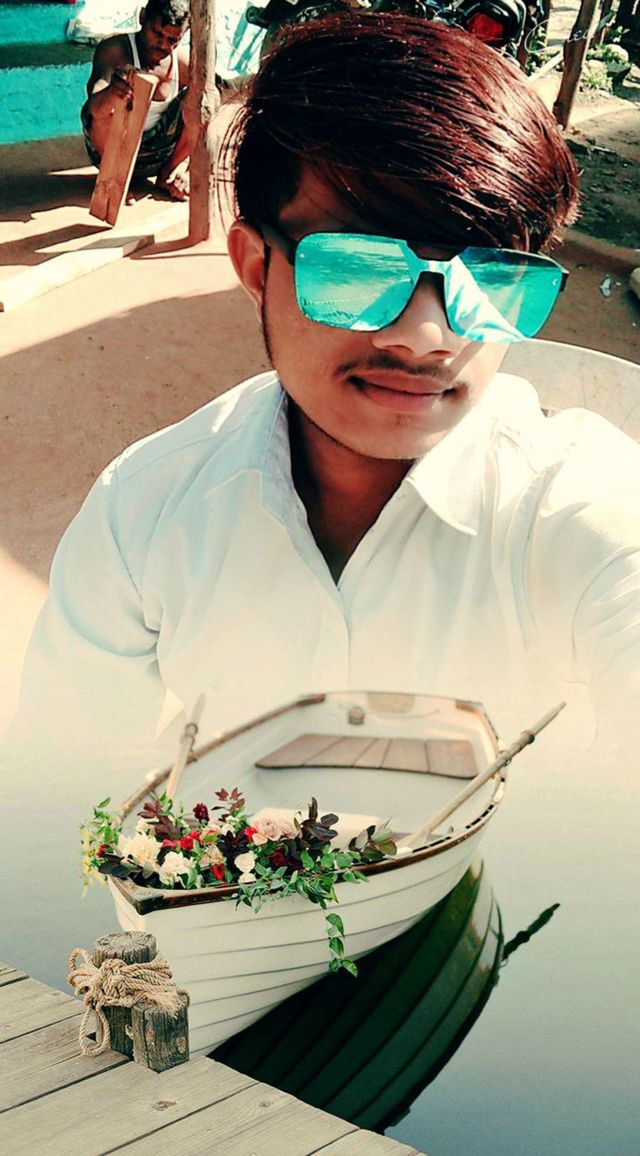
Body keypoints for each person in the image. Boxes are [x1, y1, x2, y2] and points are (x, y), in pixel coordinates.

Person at [10, 14, 640, 783]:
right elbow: (60, 788)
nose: (427, 338)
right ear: (255, 268)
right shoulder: (144, 515)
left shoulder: (590, 509)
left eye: (492, 281)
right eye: (360, 270)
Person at [81, 0, 191, 200]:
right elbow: (93, 109)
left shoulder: (182, 63)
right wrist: (112, 92)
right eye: (157, 33)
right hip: (113, 152)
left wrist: (187, 169)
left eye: (172, 40)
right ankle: (115, 179)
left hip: (159, 155)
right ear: (142, 17)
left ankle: (167, 174)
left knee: (204, 100)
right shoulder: (116, 49)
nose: (162, 45)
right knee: (99, 109)